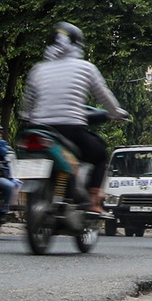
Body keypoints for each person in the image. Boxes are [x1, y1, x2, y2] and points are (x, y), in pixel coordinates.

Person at [19, 22, 127, 213]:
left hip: (40, 129)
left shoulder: (38, 70)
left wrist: (27, 116)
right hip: (71, 130)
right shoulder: (85, 68)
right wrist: (116, 113)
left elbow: (26, 105)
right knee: (100, 153)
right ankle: (94, 202)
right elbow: (104, 96)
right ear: (78, 44)